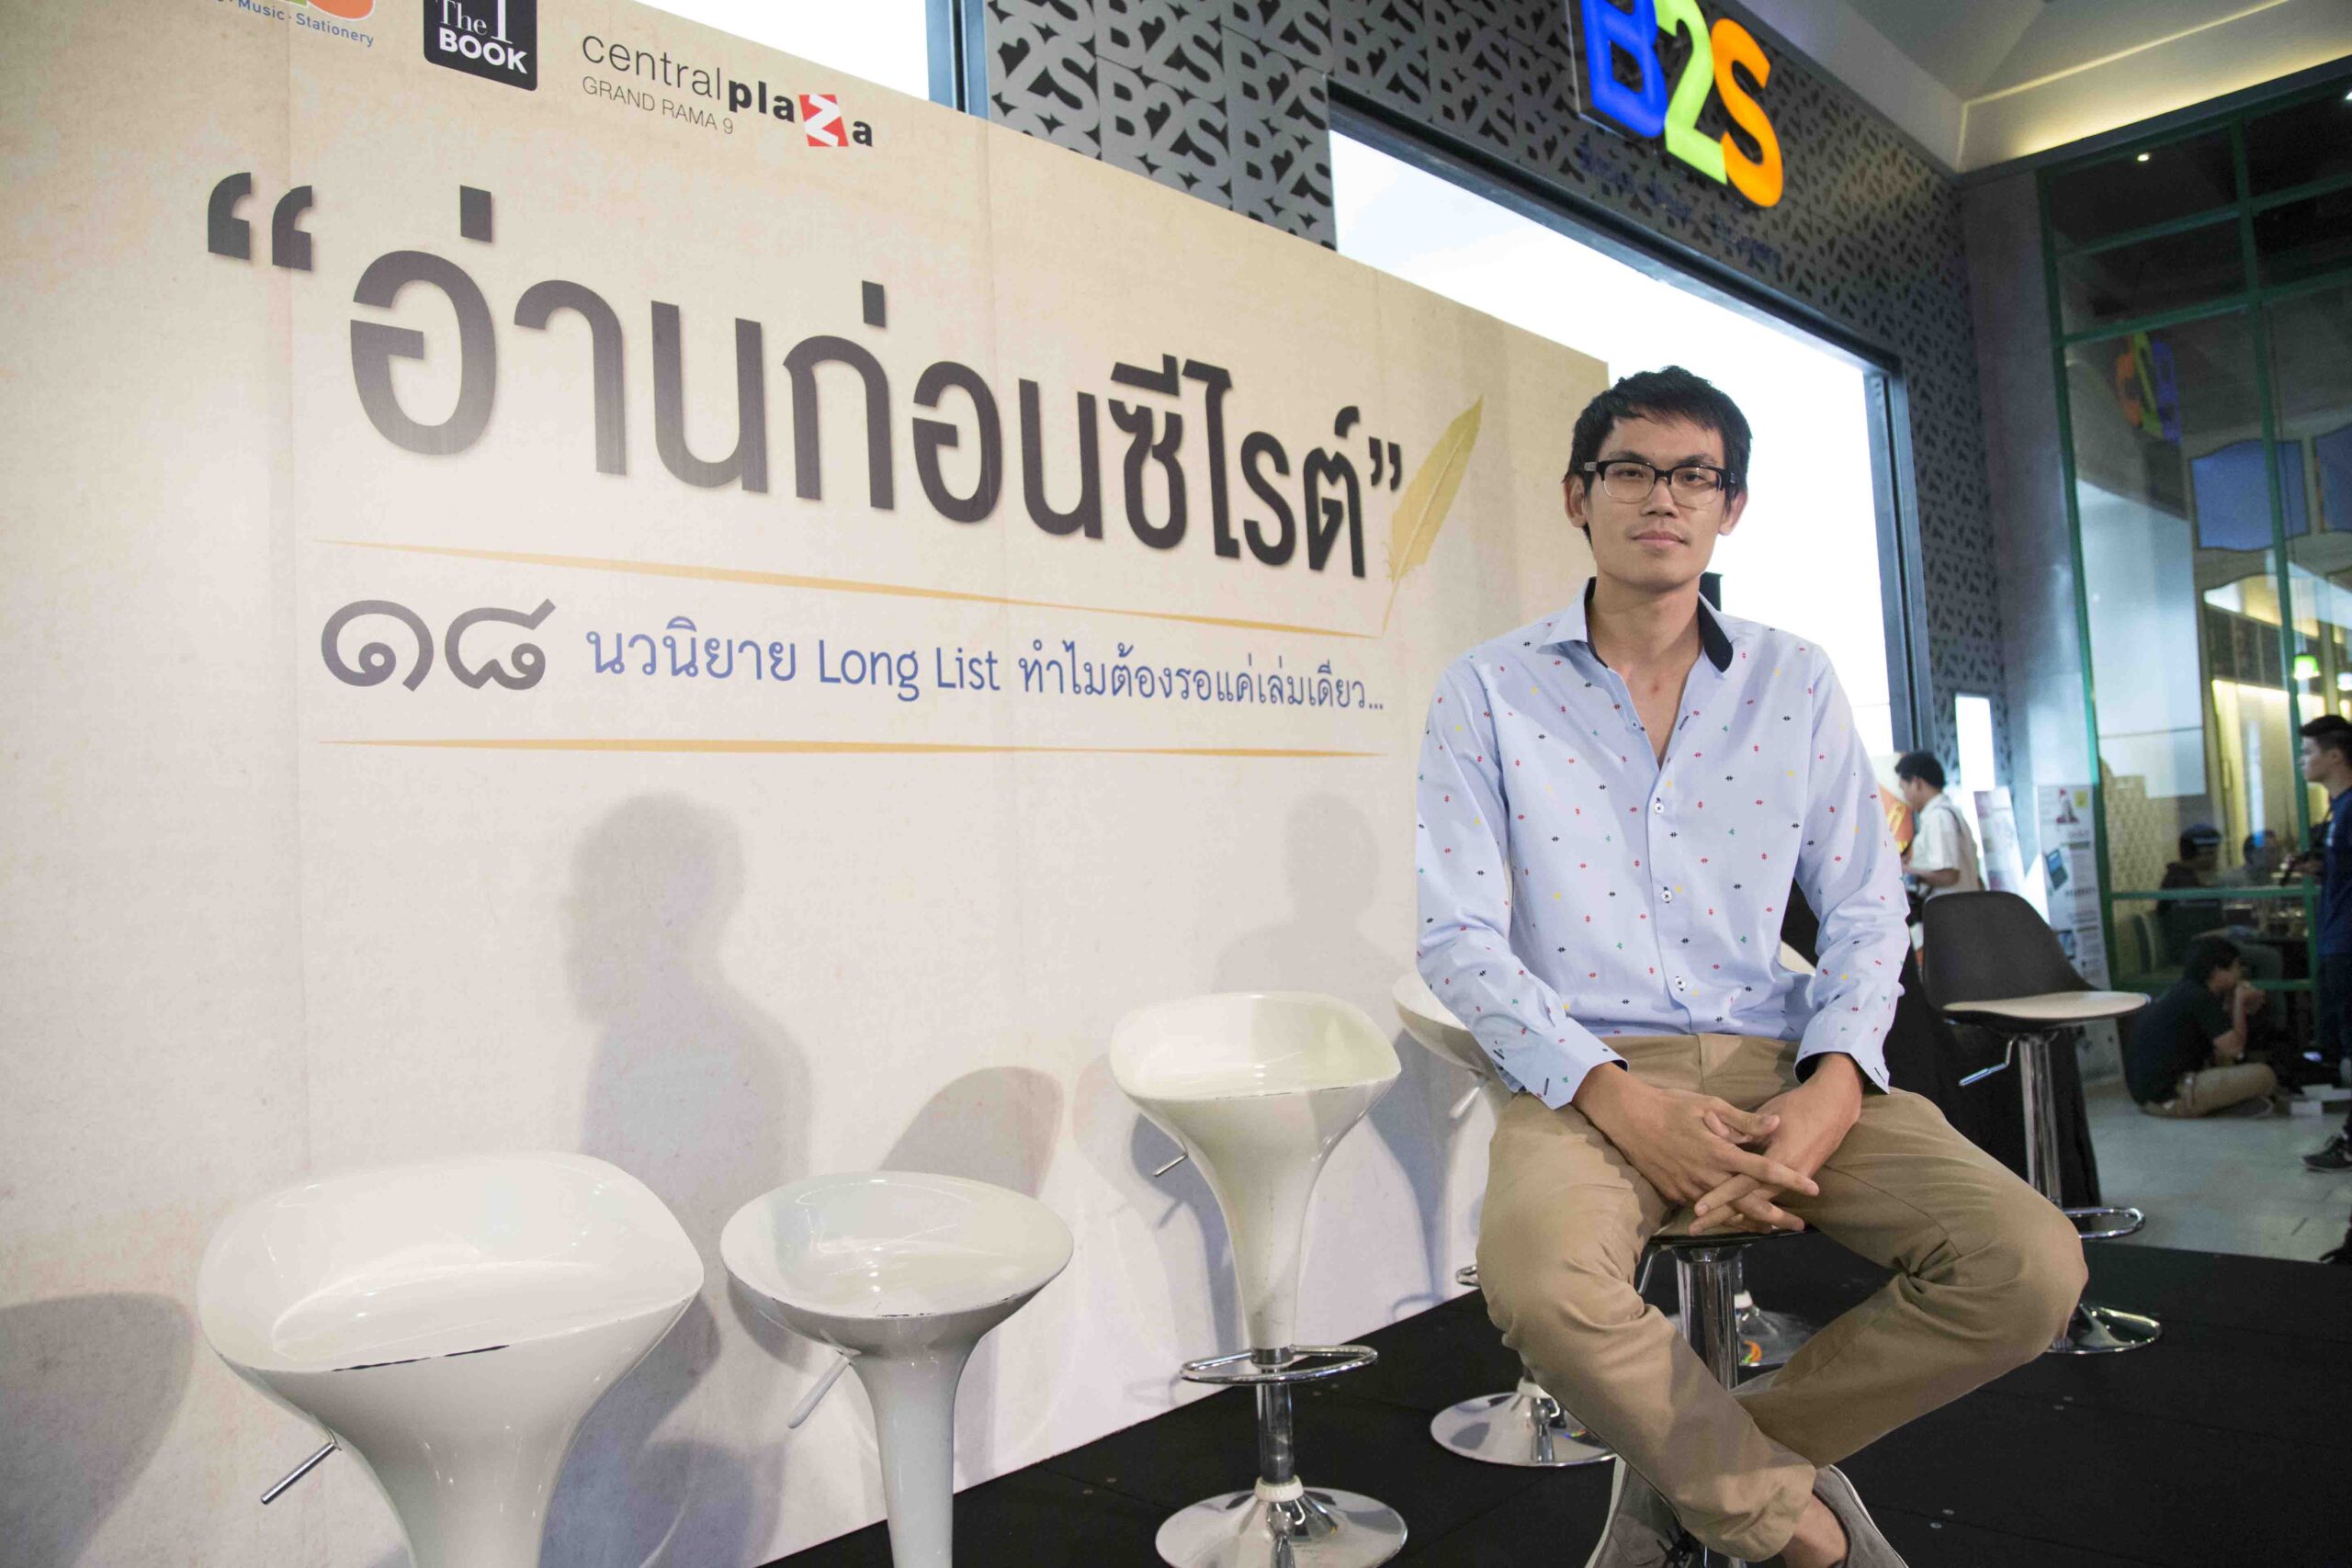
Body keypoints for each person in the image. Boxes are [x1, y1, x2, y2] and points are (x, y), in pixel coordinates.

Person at [1416, 366, 2082, 1568]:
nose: (1662, 496)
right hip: (1590, 1072)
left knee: (2029, 1267)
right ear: (1576, 495)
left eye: (1695, 475)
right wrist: (1618, 1095)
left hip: (1782, 1061)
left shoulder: (1795, 677)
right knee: (1539, 1284)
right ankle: (1802, 1529)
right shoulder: (1488, 688)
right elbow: (1458, 936)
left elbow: (1867, 906)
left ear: (1731, 506)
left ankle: (1692, 1479)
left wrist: (1836, 1083)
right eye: (1630, 469)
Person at [2124, 936, 2278, 1117]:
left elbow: (2222, 1045)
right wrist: (2239, 1001)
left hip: (2149, 1097)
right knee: (2266, 1075)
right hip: (2171, 1097)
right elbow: (2235, 1049)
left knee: (2227, 1063)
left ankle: (2222, 1104)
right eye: (2236, 967)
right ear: (2216, 971)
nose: (2240, 974)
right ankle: (2212, 1107)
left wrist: (2237, 1006)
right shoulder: (2199, 997)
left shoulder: (2186, 991)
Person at [2297, 716, 2352, 1170]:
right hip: (2337, 940)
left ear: (2334, 756)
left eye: (2309, 752)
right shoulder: (2339, 810)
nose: (2303, 761)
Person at [1894, 753, 1981, 900]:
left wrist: (1906, 870)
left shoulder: (1938, 817)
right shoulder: (1950, 812)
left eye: (1903, 788)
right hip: (1963, 906)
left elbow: (1948, 875)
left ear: (1916, 783)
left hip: (1950, 909)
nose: (1904, 796)